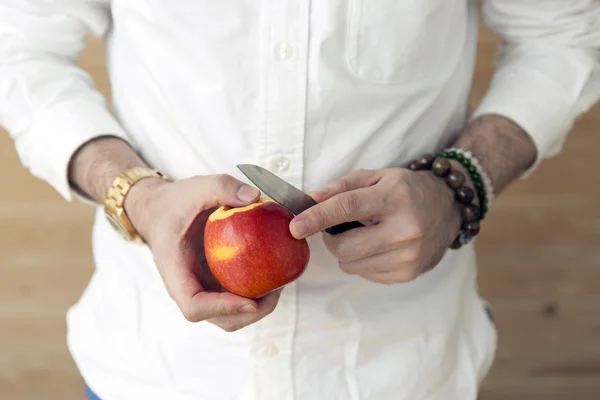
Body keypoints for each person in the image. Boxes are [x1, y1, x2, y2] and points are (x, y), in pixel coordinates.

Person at [1, 1, 599, 399]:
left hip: (402, 369)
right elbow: (19, 48)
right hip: (155, 370)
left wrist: (458, 185)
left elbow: (565, 37)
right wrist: (136, 196)